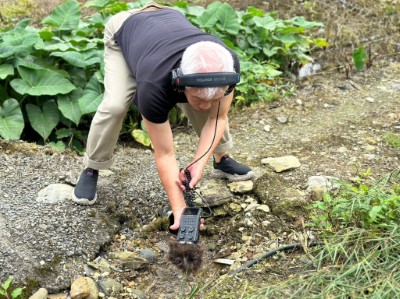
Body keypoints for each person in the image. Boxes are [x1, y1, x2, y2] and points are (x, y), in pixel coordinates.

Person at [72, 2, 254, 230]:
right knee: (115, 105)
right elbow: (165, 153)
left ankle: (221, 158)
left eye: (215, 95)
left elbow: (218, 118)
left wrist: (199, 163)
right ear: (180, 81)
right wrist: (179, 208)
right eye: (196, 97)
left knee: (210, 109)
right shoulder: (154, 84)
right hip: (125, 30)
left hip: (168, 19)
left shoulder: (227, 65)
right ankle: (92, 166)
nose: (204, 104)